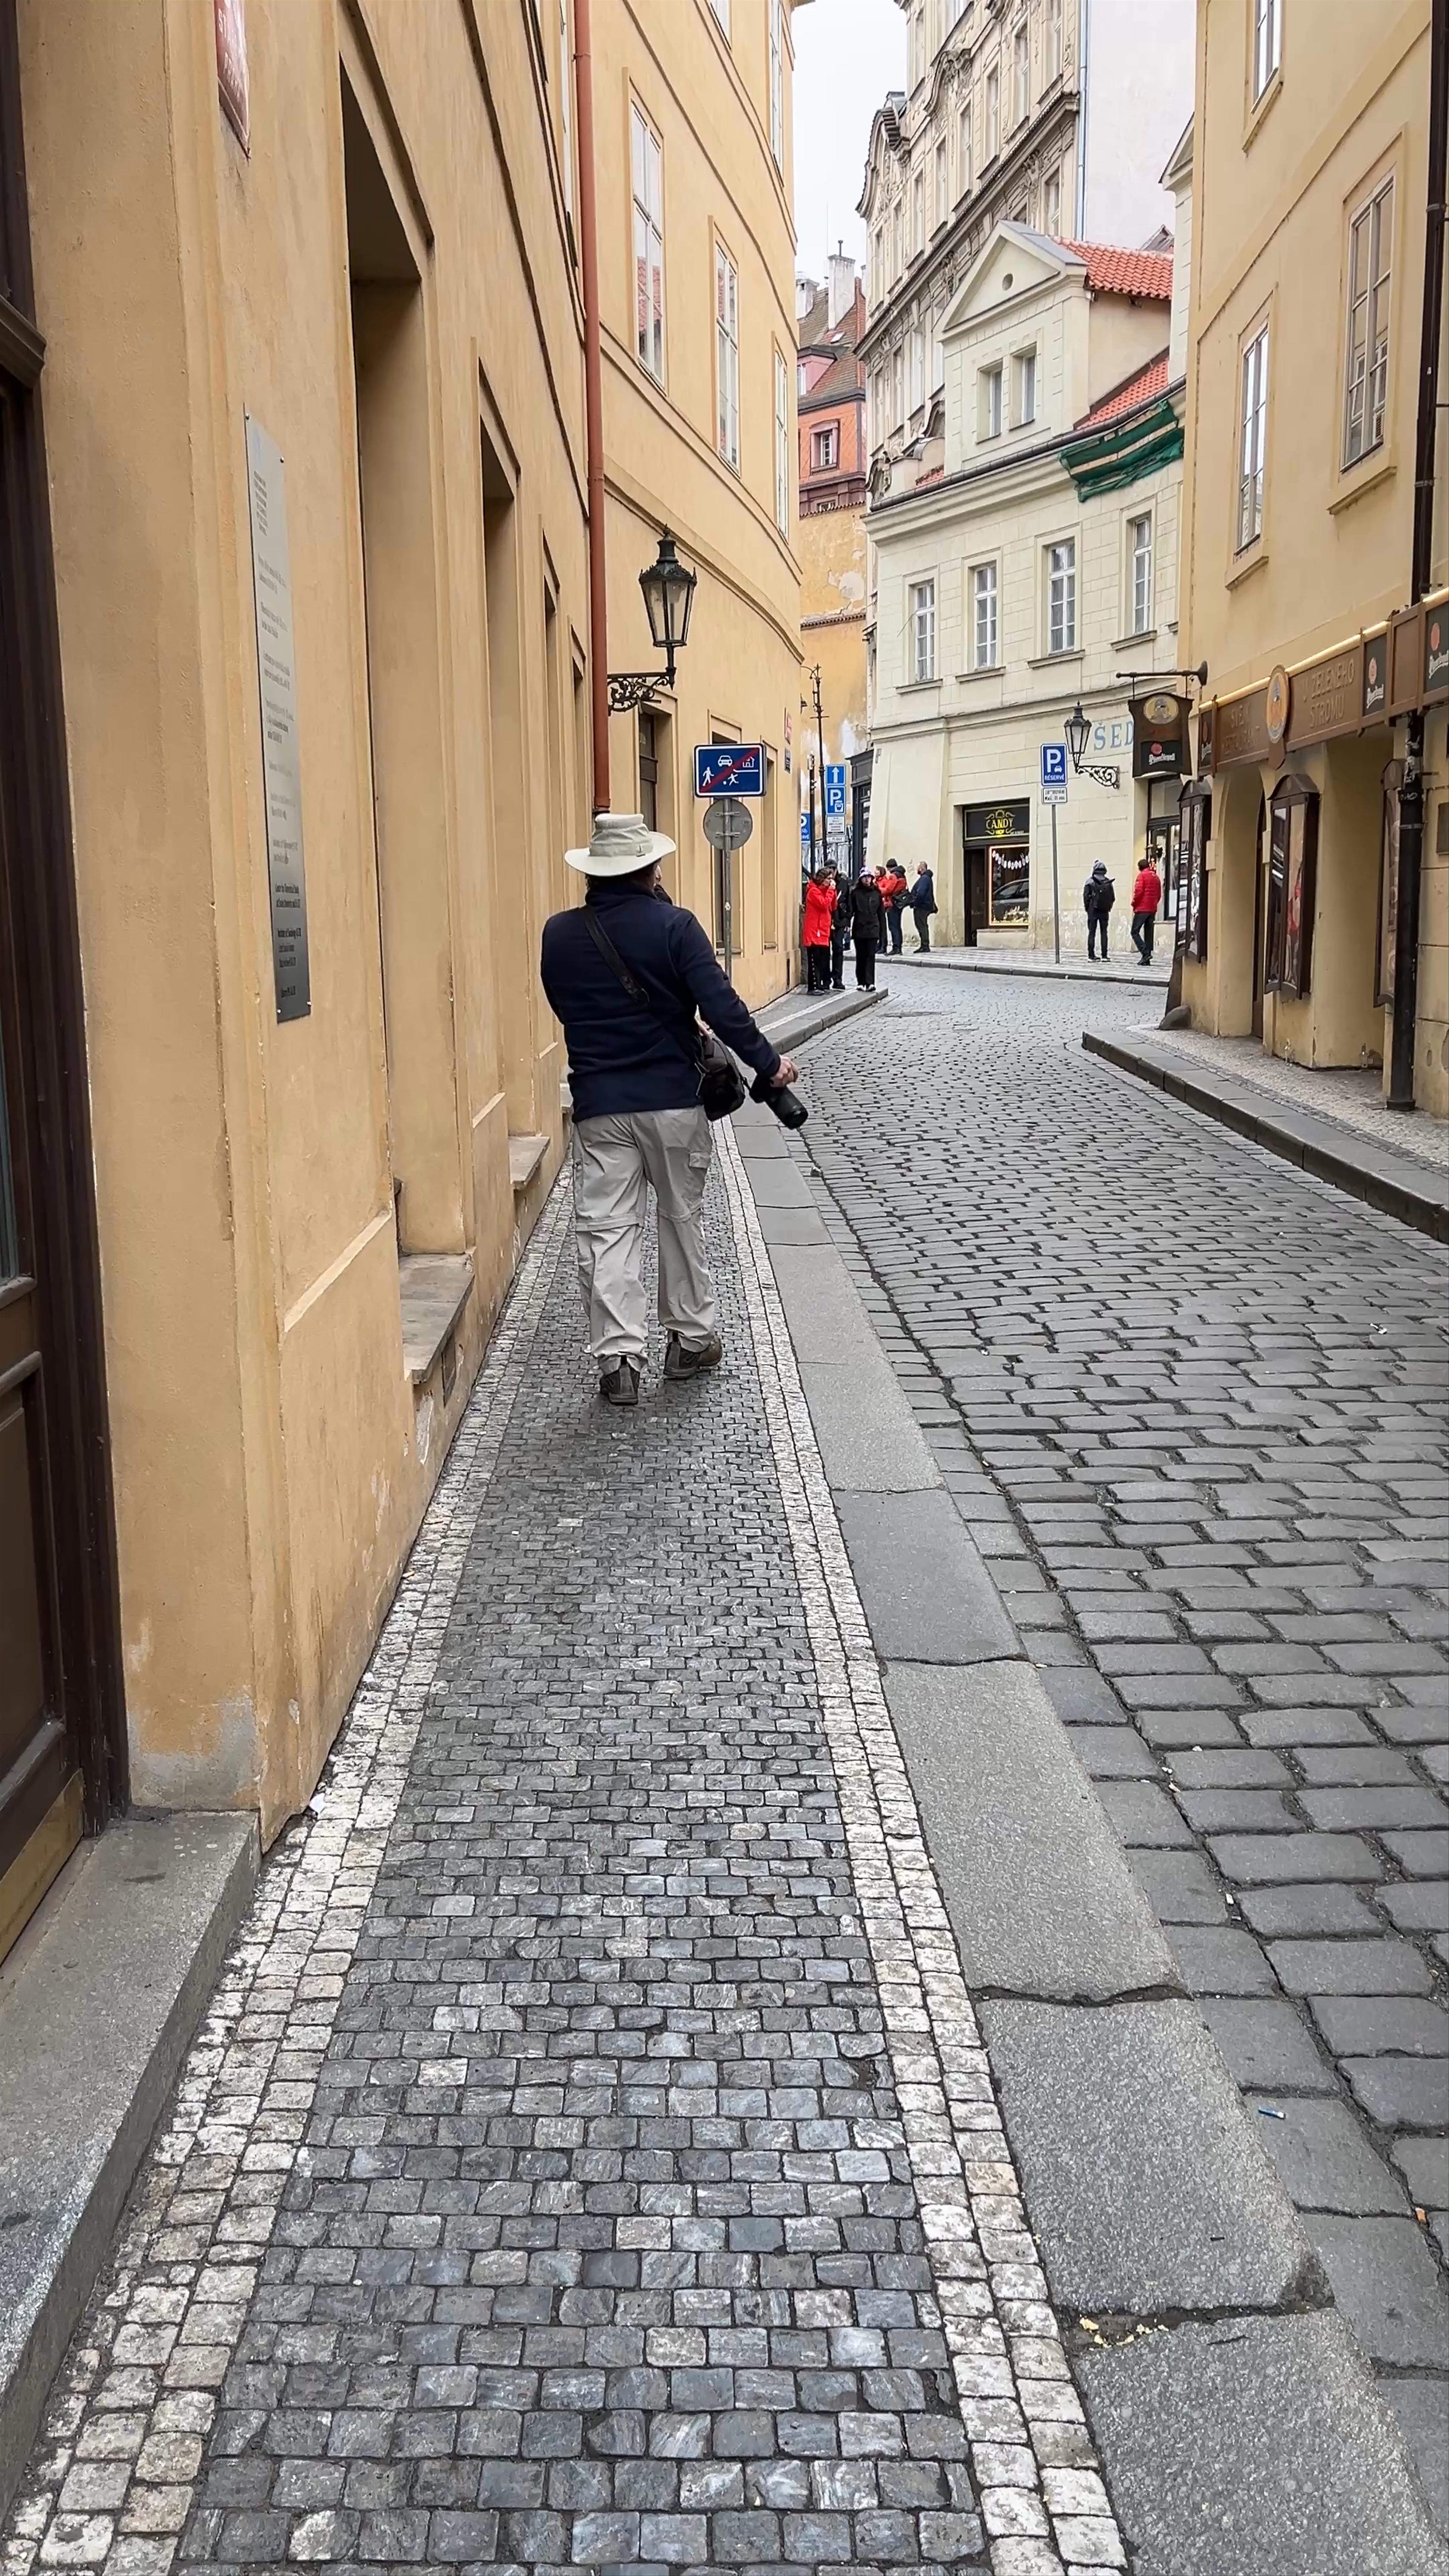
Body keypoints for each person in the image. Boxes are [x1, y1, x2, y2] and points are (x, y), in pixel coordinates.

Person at [540, 812, 798, 1407]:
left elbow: (564, 1005)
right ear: (650, 869)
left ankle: (618, 1359)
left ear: (593, 873)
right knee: (680, 1217)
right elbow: (723, 1006)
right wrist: (768, 1063)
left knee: (607, 1228)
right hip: (674, 1102)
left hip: (600, 1104)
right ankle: (690, 1339)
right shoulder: (676, 926)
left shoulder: (559, 933)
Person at [849, 867, 888, 989]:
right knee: (861, 955)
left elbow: (881, 914)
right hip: (860, 928)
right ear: (861, 879)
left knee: (871, 955)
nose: (867, 880)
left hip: (873, 927)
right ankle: (861, 982)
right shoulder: (856, 893)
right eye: (865, 877)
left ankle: (870, 982)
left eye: (869, 877)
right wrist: (846, 924)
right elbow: (851, 911)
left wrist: (883, 931)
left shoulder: (876, 893)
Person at [801, 866, 835, 992]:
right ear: (822, 879)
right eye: (829, 879)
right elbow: (824, 904)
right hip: (815, 931)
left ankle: (820, 985)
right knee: (814, 960)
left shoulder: (825, 892)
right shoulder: (813, 892)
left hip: (823, 931)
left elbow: (832, 906)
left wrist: (832, 892)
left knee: (822, 960)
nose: (831, 881)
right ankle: (813, 986)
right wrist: (830, 891)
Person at [1131, 853, 1163, 966]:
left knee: (1135, 932)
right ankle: (1147, 957)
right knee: (1149, 933)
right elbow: (1159, 894)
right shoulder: (1156, 877)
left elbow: (1138, 893)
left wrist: (1134, 904)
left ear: (1140, 867)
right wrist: (1154, 904)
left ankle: (1145, 953)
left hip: (1142, 909)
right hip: (1152, 909)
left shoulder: (1142, 876)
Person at [1083, 860, 1115, 961]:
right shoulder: (1108, 882)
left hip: (1093, 910)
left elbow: (1086, 897)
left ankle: (1091, 956)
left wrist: (1088, 908)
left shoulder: (1090, 882)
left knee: (1092, 933)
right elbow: (1113, 898)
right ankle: (1105, 956)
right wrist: (1108, 907)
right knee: (1104, 933)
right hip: (1105, 911)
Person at [829, 866, 851, 989]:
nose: (832, 871)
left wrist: (848, 920)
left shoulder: (843, 883)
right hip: (827, 921)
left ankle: (838, 979)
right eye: (829, 868)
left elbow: (849, 902)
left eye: (833, 868)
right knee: (824, 952)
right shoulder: (824, 882)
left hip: (840, 921)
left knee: (838, 948)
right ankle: (825, 980)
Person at [878, 863, 907, 954]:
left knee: (893, 926)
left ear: (890, 868)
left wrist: (879, 890)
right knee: (898, 926)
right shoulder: (902, 875)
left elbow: (888, 890)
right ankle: (899, 947)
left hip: (893, 903)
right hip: (899, 903)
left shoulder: (893, 876)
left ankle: (896, 948)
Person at [910, 862, 937, 952]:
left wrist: (915, 902)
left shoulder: (925, 879)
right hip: (924, 905)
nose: (917, 870)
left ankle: (925, 945)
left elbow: (921, 893)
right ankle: (925, 945)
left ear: (921, 868)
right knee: (922, 925)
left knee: (921, 925)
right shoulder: (926, 878)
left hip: (922, 906)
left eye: (918, 868)